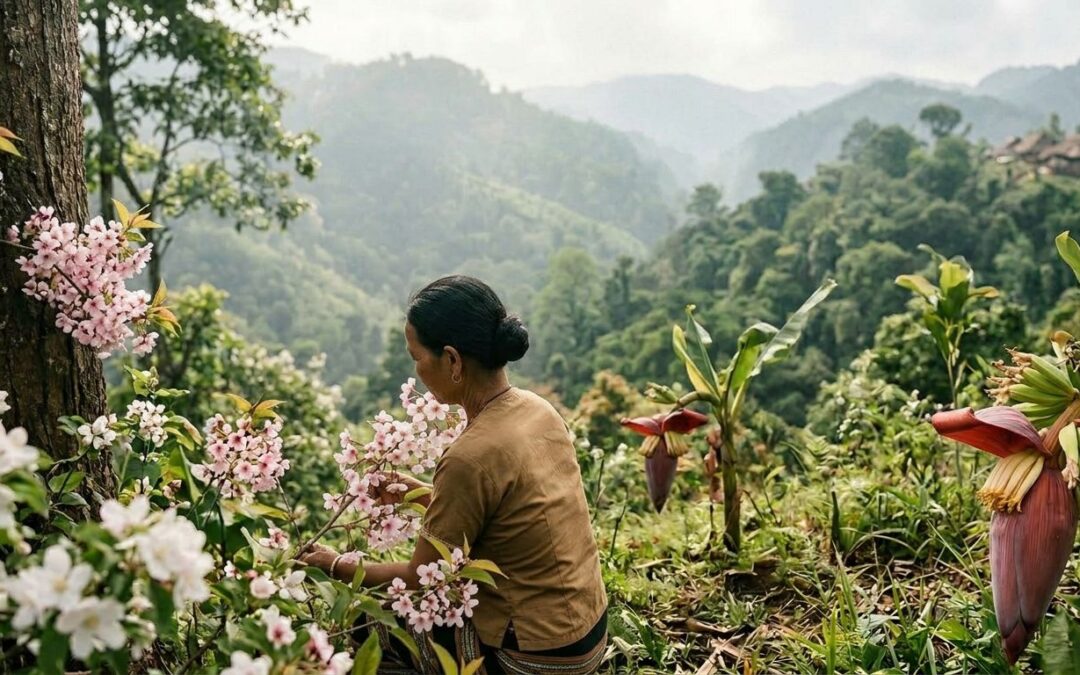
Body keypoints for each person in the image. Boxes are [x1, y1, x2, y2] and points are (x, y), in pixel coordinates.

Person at [299, 275, 608, 674]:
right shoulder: (538, 410)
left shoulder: (469, 456)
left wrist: (333, 564)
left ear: (453, 360)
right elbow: (507, 514)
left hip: (534, 659)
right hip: (586, 636)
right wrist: (421, 493)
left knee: (366, 623)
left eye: (417, 358)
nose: (416, 370)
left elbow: (419, 579)